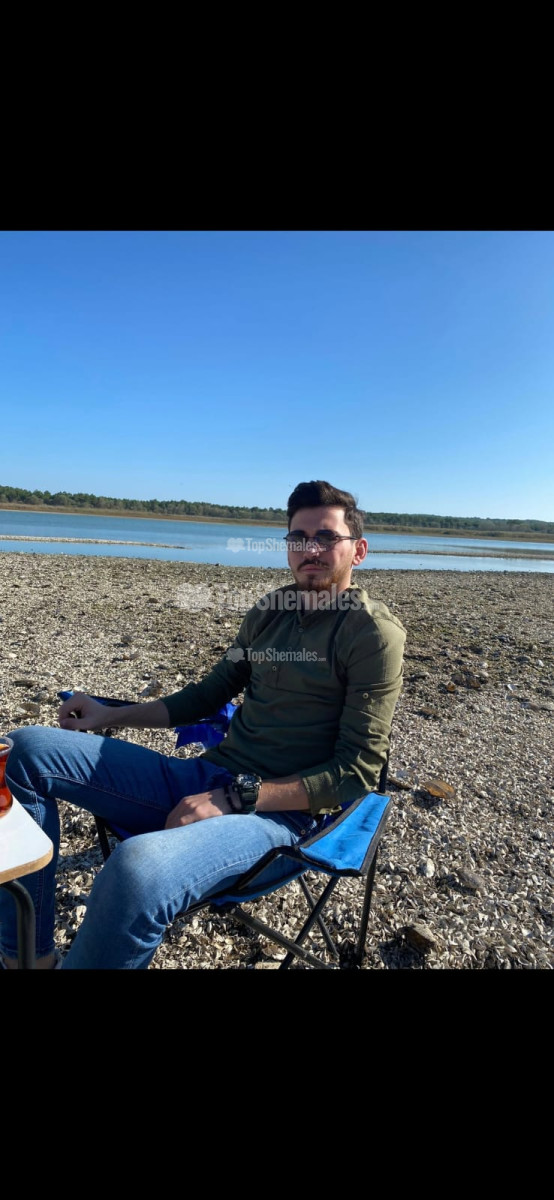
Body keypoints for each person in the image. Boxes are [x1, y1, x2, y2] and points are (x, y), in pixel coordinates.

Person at [0, 480, 406, 969]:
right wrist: (111, 715)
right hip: (206, 777)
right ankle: (28, 957)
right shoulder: (269, 613)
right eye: (298, 538)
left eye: (326, 537)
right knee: (25, 750)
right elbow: (208, 695)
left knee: (136, 870)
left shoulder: (371, 634)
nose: (310, 550)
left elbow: (358, 771)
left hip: (280, 817)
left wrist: (237, 798)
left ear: (358, 550)